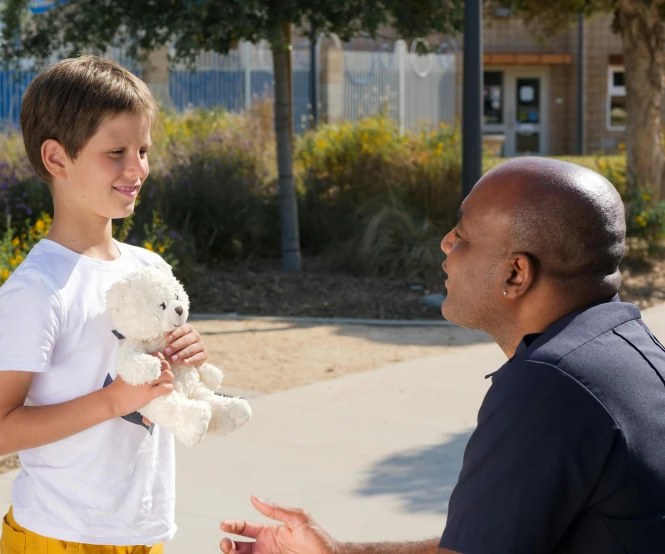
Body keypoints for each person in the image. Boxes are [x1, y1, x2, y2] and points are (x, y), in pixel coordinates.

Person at [218, 157, 665, 554]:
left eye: (463, 235)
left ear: (515, 273)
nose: (445, 244)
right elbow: (483, 540)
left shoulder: (549, 387)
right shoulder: (628, 351)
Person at [0, 55, 209, 553]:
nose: (137, 168)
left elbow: (150, 390)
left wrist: (183, 357)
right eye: (116, 152)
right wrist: (113, 401)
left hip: (145, 533)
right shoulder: (37, 289)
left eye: (143, 149)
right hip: (57, 538)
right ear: (57, 160)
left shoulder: (150, 268)